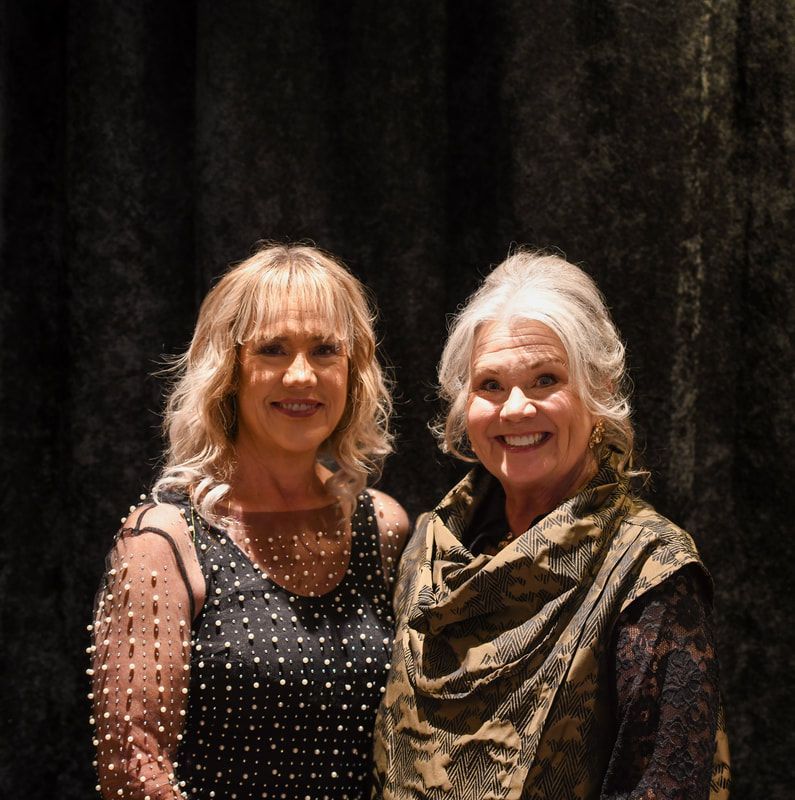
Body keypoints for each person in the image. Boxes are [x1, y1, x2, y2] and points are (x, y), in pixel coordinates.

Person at [373, 250, 730, 799]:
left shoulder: (647, 569)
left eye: (545, 379)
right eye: (490, 384)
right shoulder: (428, 547)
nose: (515, 408)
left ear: (601, 390)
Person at [88, 243, 409, 800]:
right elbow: (134, 771)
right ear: (227, 371)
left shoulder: (384, 527)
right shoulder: (163, 540)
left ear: (354, 370)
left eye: (325, 350)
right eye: (273, 350)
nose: (301, 375)